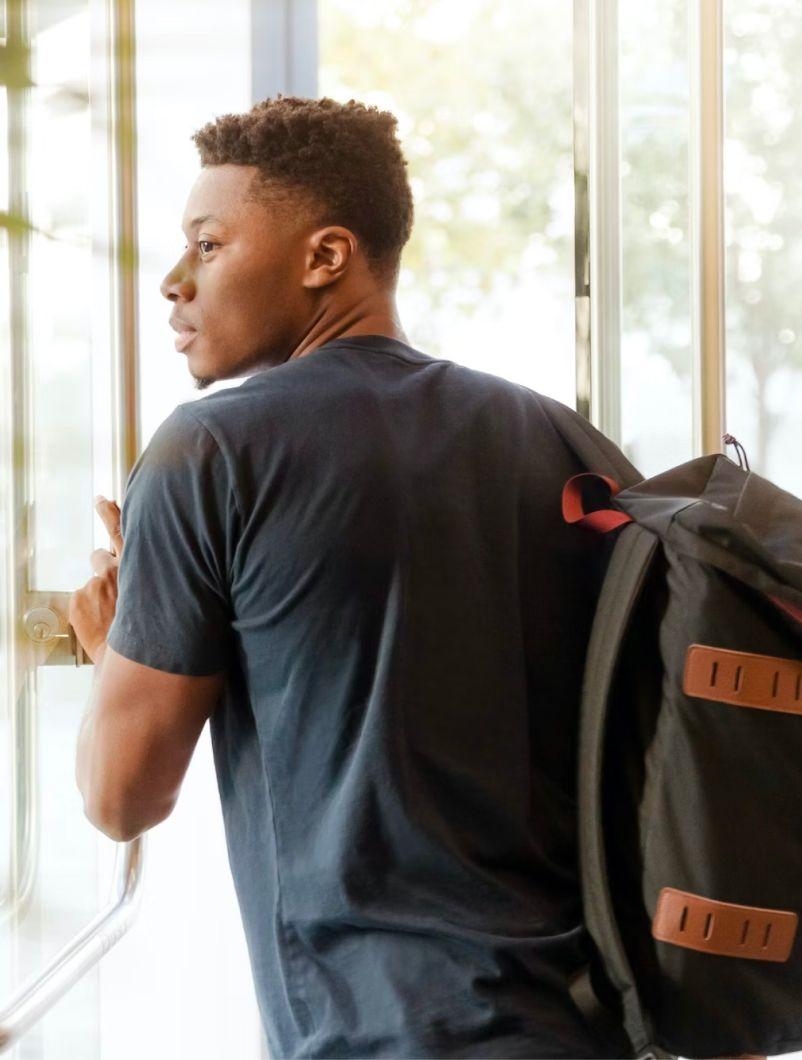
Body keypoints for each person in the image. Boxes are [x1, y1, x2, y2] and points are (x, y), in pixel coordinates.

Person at [70, 95, 635, 1059]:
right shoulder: (564, 442)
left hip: (378, 1032)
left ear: (325, 256)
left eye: (207, 246)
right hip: (588, 1027)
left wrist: (113, 649)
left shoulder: (211, 449)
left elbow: (120, 798)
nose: (173, 283)